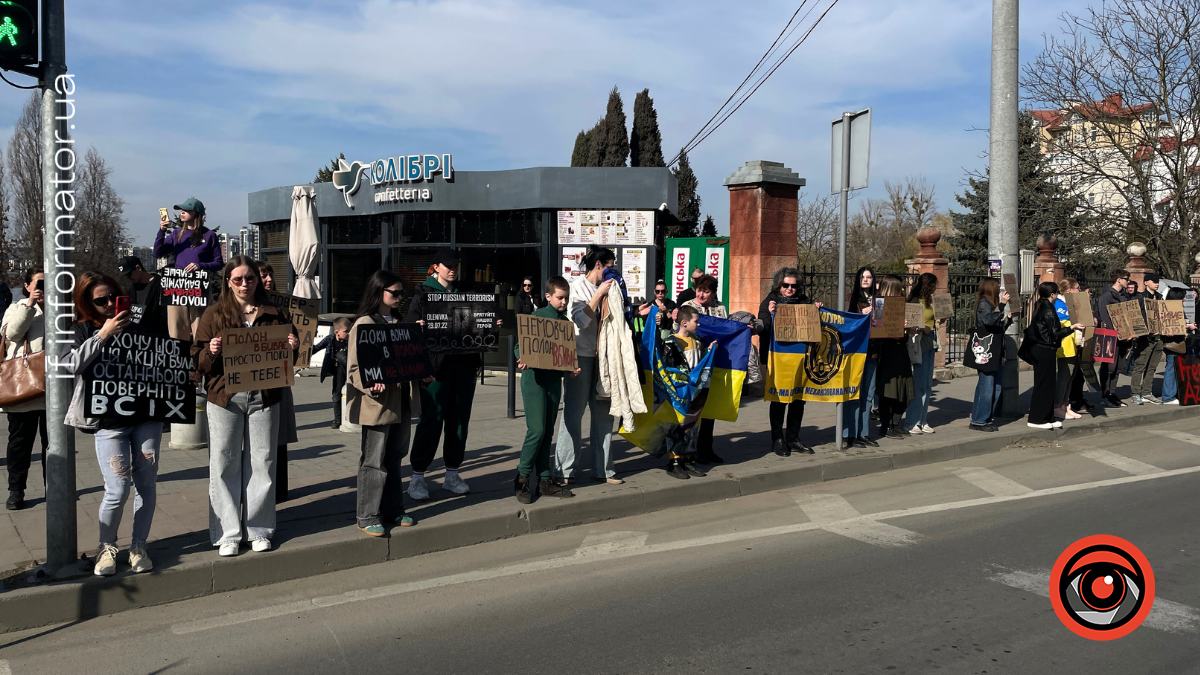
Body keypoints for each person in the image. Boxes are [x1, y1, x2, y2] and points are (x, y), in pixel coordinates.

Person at [194, 256, 298, 557]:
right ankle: (227, 533)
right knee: (224, 463)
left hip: (265, 397)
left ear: (258, 280)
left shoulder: (275, 313)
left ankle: (259, 529)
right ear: (227, 281)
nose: (244, 284)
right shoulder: (214, 314)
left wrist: (292, 347)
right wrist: (210, 351)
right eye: (237, 279)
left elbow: (291, 357)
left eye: (249, 279)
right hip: (225, 398)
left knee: (262, 463)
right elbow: (196, 358)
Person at [61, 271, 162, 576]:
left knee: (146, 484)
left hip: (146, 418)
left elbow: (162, 361)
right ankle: (106, 547)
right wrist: (103, 334)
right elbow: (70, 364)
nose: (107, 304)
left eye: (112, 298)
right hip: (108, 421)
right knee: (117, 488)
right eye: (100, 300)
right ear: (87, 303)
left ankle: (139, 545)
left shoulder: (138, 327)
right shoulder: (78, 329)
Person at [406, 247, 495, 499]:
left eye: (455, 265)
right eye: (448, 265)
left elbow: (478, 322)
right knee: (431, 420)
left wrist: (491, 324)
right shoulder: (423, 293)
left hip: (465, 366)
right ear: (436, 267)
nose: (453, 269)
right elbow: (413, 330)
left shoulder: (466, 290)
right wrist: (417, 329)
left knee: (459, 421)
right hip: (435, 370)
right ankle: (417, 477)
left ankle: (452, 473)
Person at [347, 271, 421, 535]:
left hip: (402, 400)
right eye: (395, 292)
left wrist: (422, 374)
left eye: (402, 293)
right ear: (379, 292)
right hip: (377, 404)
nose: (400, 297)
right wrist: (368, 384)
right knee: (373, 460)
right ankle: (367, 515)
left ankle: (394, 509)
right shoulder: (364, 323)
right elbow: (354, 368)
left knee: (396, 457)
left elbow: (410, 360)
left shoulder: (402, 323)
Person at [554, 245, 622, 484]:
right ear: (599, 265)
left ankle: (603, 469)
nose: (614, 270)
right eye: (610, 265)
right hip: (580, 356)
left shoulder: (614, 288)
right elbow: (580, 321)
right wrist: (598, 295)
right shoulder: (576, 288)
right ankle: (564, 470)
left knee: (604, 414)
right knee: (573, 412)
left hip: (604, 357)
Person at [514, 276, 579, 503]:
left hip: (553, 380)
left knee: (548, 432)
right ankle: (522, 477)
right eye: (560, 298)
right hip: (534, 380)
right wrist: (520, 357)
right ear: (548, 296)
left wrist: (571, 367)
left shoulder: (565, 323)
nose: (563, 302)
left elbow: (564, 354)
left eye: (566, 298)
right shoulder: (537, 316)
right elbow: (519, 345)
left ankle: (544, 479)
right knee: (537, 430)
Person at [757, 267, 819, 456]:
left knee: (798, 399)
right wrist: (768, 314)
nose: (790, 289)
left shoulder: (804, 302)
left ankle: (793, 438)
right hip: (778, 359)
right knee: (779, 400)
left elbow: (815, 328)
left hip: (800, 359)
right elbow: (762, 328)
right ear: (779, 285)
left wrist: (817, 311)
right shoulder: (769, 302)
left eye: (793, 285)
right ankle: (777, 439)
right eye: (786, 285)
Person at [2, 268, 46, 510]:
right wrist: (30, 304)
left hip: (54, 390)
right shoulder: (17, 307)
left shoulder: (59, 307)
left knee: (53, 444)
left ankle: (56, 487)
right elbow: (12, 334)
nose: (42, 287)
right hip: (24, 388)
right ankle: (16, 490)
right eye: (37, 282)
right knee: (19, 444)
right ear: (27, 286)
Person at [153, 198, 223, 342]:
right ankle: (180, 359)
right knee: (177, 328)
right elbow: (157, 252)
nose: (182, 213)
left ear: (197, 213)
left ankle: (201, 357)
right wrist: (162, 231)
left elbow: (219, 263)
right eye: (181, 210)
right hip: (177, 287)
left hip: (199, 287)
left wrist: (201, 265)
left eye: (186, 210)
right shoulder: (176, 234)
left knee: (202, 327)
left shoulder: (209, 236)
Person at [257, 261, 298, 503]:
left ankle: (279, 488)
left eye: (270, 274)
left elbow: (296, 341)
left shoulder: (281, 306)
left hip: (278, 378)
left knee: (279, 436)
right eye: (263, 275)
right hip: (254, 381)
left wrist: (295, 344)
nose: (269, 279)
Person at [659, 305, 713, 479]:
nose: (698, 325)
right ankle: (674, 462)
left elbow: (700, 361)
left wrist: (709, 351)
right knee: (678, 425)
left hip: (696, 390)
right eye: (695, 321)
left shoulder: (697, 340)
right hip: (679, 391)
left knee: (693, 425)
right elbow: (667, 367)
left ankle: (688, 459)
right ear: (684, 322)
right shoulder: (670, 342)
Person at [682, 274, 728, 464]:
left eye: (706, 291)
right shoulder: (688, 305)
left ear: (714, 292)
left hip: (713, 361)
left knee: (710, 407)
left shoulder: (720, 308)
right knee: (693, 407)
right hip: (694, 361)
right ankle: (687, 451)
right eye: (699, 290)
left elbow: (726, 330)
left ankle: (706, 448)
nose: (701, 294)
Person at [1027, 281, 1086, 429]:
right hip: (1045, 348)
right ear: (1052, 294)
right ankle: (1037, 419)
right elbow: (1054, 333)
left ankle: (1047, 417)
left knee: (1047, 385)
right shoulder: (1049, 309)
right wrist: (1071, 327)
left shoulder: (1043, 306)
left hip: (1044, 349)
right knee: (1044, 386)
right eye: (1056, 293)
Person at [875, 276, 915, 439]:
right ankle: (886, 426)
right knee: (889, 390)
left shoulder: (901, 306)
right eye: (901, 288)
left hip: (900, 352)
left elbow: (902, 336)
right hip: (887, 352)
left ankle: (895, 422)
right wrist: (898, 328)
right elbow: (878, 331)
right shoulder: (879, 304)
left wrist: (907, 330)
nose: (903, 291)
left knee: (906, 390)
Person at [842, 267, 878, 447]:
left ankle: (863, 433)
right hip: (856, 352)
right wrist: (860, 316)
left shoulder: (878, 300)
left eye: (869, 277)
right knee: (853, 392)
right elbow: (844, 321)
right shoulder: (851, 298)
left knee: (868, 394)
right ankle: (849, 433)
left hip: (873, 350)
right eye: (863, 277)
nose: (866, 280)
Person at [968, 278, 1010, 432]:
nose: (999, 290)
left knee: (996, 386)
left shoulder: (991, 304)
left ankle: (987, 418)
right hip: (986, 351)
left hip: (995, 350)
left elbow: (999, 326)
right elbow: (989, 321)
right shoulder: (984, 304)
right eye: (997, 287)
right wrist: (1003, 304)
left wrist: (1009, 319)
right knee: (986, 385)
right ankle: (978, 420)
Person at [904, 273, 944, 434]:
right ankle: (911, 421)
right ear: (929, 285)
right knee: (919, 384)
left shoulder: (929, 301)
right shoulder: (915, 301)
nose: (936, 288)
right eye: (934, 284)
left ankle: (922, 419)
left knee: (927, 384)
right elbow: (913, 325)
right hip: (919, 343)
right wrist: (924, 328)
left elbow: (931, 321)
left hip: (930, 343)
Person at [1097, 269, 1132, 408]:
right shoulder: (1107, 296)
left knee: (1118, 367)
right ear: (1119, 280)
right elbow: (1105, 317)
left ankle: (1112, 393)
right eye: (1126, 279)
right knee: (1109, 367)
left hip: (1124, 337)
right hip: (1111, 336)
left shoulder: (1123, 296)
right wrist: (1115, 332)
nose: (1128, 282)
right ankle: (1105, 394)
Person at [1129, 273, 1165, 405]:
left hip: (1159, 337)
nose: (1157, 283)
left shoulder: (1160, 297)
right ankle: (1135, 393)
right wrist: (1144, 332)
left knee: (1152, 367)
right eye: (1154, 281)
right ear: (1146, 283)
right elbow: (1136, 317)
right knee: (1140, 366)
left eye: (1157, 281)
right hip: (1145, 339)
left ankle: (1147, 392)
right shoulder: (1140, 298)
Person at [312, 317, 352, 429]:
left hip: (350, 370)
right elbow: (316, 348)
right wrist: (304, 347)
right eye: (346, 331)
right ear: (336, 332)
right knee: (336, 394)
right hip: (338, 370)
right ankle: (337, 418)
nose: (349, 333)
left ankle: (352, 417)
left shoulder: (351, 340)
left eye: (350, 330)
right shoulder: (330, 339)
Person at [1053, 279, 1084, 420]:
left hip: (1074, 343)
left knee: (1071, 375)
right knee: (1064, 375)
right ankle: (1057, 406)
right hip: (1064, 345)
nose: (1079, 290)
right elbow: (1061, 323)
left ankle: (1066, 405)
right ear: (1070, 290)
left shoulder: (1070, 303)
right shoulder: (1059, 304)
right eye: (1077, 288)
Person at [1160, 286, 1196, 405]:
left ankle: (1174, 393)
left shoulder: (1177, 308)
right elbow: (1171, 326)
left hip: (1179, 342)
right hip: (1173, 343)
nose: (1185, 299)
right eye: (1183, 296)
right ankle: (1167, 396)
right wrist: (1188, 326)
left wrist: (1188, 325)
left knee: (1175, 368)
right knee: (1171, 368)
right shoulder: (1170, 309)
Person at [117, 256, 168, 337]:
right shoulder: (131, 290)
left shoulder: (162, 285)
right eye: (125, 276)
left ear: (138, 268)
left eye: (129, 274)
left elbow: (165, 313)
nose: (127, 278)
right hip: (136, 336)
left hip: (157, 335)